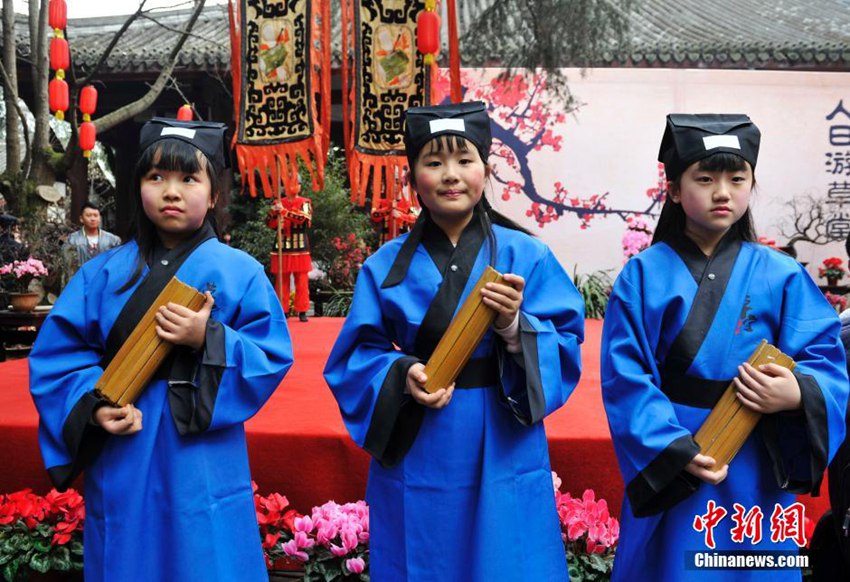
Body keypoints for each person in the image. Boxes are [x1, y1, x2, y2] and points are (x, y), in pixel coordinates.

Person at [323, 101, 584, 581]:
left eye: (465, 160)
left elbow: (566, 340)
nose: (450, 175)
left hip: (503, 430)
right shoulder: (385, 264)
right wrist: (402, 374)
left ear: (487, 167)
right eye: (433, 162)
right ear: (413, 174)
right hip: (420, 431)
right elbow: (355, 357)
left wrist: (512, 326)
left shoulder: (526, 253)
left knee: (508, 557)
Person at [29, 118, 294, 581]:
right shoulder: (102, 273)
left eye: (189, 178)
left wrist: (207, 337)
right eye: (156, 177)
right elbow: (59, 358)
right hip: (125, 441)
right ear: (139, 189)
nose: (171, 191)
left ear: (213, 195)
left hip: (201, 451)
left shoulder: (240, 271)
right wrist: (93, 404)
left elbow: (268, 355)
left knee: (206, 554)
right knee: (130, 556)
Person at [601, 114, 849, 580]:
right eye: (705, 178)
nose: (723, 192)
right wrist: (669, 447)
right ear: (674, 189)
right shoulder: (642, 275)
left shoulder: (782, 274)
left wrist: (797, 393)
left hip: (757, 448)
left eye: (737, 179)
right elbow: (625, 376)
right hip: (680, 448)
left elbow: (824, 355)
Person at [266, 191, 312, 322]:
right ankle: (282, 309)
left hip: (299, 244)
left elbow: (303, 218)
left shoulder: (304, 202)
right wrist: (274, 212)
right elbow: (270, 223)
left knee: (302, 279)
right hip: (281, 244)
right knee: (281, 280)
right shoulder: (279, 202)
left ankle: (302, 310)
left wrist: (284, 211)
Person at [65, 202, 121, 269]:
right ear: (81, 219)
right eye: (88, 215)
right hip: (81, 277)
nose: (93, 219)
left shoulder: (113, 240)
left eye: (95, 215)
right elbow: (68, 264)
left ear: (100, 218)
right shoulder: (72, 239)